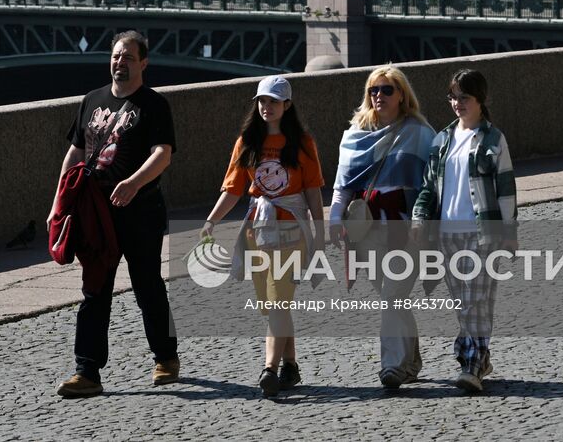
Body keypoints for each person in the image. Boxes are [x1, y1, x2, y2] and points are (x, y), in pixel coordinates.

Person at [50, 30, 178, 398]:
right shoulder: (92, 100)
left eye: (128, 57)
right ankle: (87, 371)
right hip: (96, 213)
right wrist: (58, 205)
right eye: (116, 55)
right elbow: (75, 154)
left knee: (147, 286)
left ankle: (166, 357)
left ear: (143, 64)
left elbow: (163, 153)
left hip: (141, 211)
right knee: (95, 290)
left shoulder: (153, 105)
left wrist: (134, 183)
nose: (120, 62)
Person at [201, 75, 325, 398]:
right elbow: (233, 189)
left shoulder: (303, 143)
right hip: (259, 230)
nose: (266, 107)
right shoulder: (247, 142)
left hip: (291, 229)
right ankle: (291, 366)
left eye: (272, 101)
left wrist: (319, 232)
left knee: (280, 300)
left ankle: (269, 369)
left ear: (287, 105)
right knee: (272, 305)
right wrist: (212, 220)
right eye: (261, 101)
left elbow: (313, 193)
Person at [329, 65, 435, 389]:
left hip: (407, 227)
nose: (379, 96)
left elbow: (432, 184)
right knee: (393, 299)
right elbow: (343, 185)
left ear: (402, 95)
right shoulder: (354, 135)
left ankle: (391, 366)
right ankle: (411, 362)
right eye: (373, 90)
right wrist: (335, 217)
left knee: (392, 295)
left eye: (387, 89)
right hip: (368, 229)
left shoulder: (419, 132)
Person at [412, 68, 516, 393]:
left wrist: (508, 233)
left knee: (474, 300)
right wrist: (419, 217)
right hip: (447, 233)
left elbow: (506, 189)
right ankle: (480, 357)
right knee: (466, 303)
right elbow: (429, 187)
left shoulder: (493, 139)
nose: (457, 103)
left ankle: (469, 364)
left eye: (464, 97)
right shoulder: (441, 140)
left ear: (480, 100)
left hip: (482, 232)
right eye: (453, 97)